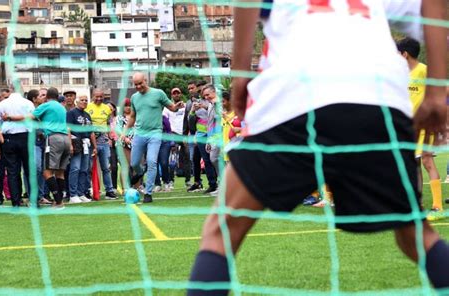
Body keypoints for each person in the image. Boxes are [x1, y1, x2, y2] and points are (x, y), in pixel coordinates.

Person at [188, 0, 449, 294]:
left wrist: (240, 78)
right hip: (379, 98)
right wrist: (437, 93)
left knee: (221, 231)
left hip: (297, 93)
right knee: (414, 234)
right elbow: (433, 6)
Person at [397, 37, 444, 221]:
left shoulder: (424, 71)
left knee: (427, 161)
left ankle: (438, 207)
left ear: (405, 54)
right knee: (413, 165)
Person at [4, 87, 71, 209]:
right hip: (65, 139)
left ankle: (59, 202)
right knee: (60, 172)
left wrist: (9, 118)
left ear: (47, 97)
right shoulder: (61, 107)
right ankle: (59, 200)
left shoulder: (46, 105)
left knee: (46, 172)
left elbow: (28, 117)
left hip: (53, 138)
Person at [126, 72, 184, 203]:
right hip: (139, 133)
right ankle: (141, 173)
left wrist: (177, 107)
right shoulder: (134, 97)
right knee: (134, 163)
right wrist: (125, 131)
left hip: (155, 133)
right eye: (136, 85)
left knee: (152, 162)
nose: (138, 86)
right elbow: (133, 116)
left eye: (140, 83)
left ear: (146, 81)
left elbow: (172, 107)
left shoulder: (158, 93)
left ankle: (148, 193)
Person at [0, 93, 34, 207]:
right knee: (29, 170)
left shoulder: (3, 104)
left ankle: (16, 201)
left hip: (9, 138)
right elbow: (34, 119)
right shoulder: (28, 103)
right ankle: (34, 200)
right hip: (26, 137)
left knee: (12, 171)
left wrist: (2, 139)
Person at [86, 89, 117, 199]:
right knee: (88, 168)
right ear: (93, 96)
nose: (99, 99)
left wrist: (109, 137)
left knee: (106, 168)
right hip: (91, 142)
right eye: (96, 96)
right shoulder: (87, 107)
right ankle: (88, 191)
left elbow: (109, 123)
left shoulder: (107, 108)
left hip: (104, 142)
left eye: (101, 96)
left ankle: (109, 191)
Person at [188, 87, 218, 195]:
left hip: (214, 135)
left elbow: (216, 117)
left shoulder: (213, 103)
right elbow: (190, 122)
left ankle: (217, 183)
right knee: (207, 160)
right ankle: (213, 184)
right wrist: (192, 111)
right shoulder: (196, 104)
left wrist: (204, 107)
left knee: (214, 159)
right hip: (201, 136)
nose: (204, 96)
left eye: (206, 94)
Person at [67, 95, 96, 203]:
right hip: (76, 142)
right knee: (75, 168)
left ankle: (81, 193)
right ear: (77, 101)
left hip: (86, 143)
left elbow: (91, 132)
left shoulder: (87, 115)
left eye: (86, 100)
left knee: (85, 169)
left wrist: (95, 147)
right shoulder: (71, 113)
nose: (84, 102)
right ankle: (73, 195)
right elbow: (68, 128)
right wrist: (70, 144)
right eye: (82, 100)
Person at [163, 87, 189, 187]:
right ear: (171, 95)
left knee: (186, 157)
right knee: (172, 158)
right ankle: (171, 181)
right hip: (173, 134)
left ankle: (187, 181)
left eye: (178, 93)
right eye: (174, 93)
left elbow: (189, 120)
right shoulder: (167, 107)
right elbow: (165, 121)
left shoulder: (186, 106)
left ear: (181, 94)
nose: (176, 95)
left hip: (184, 135)